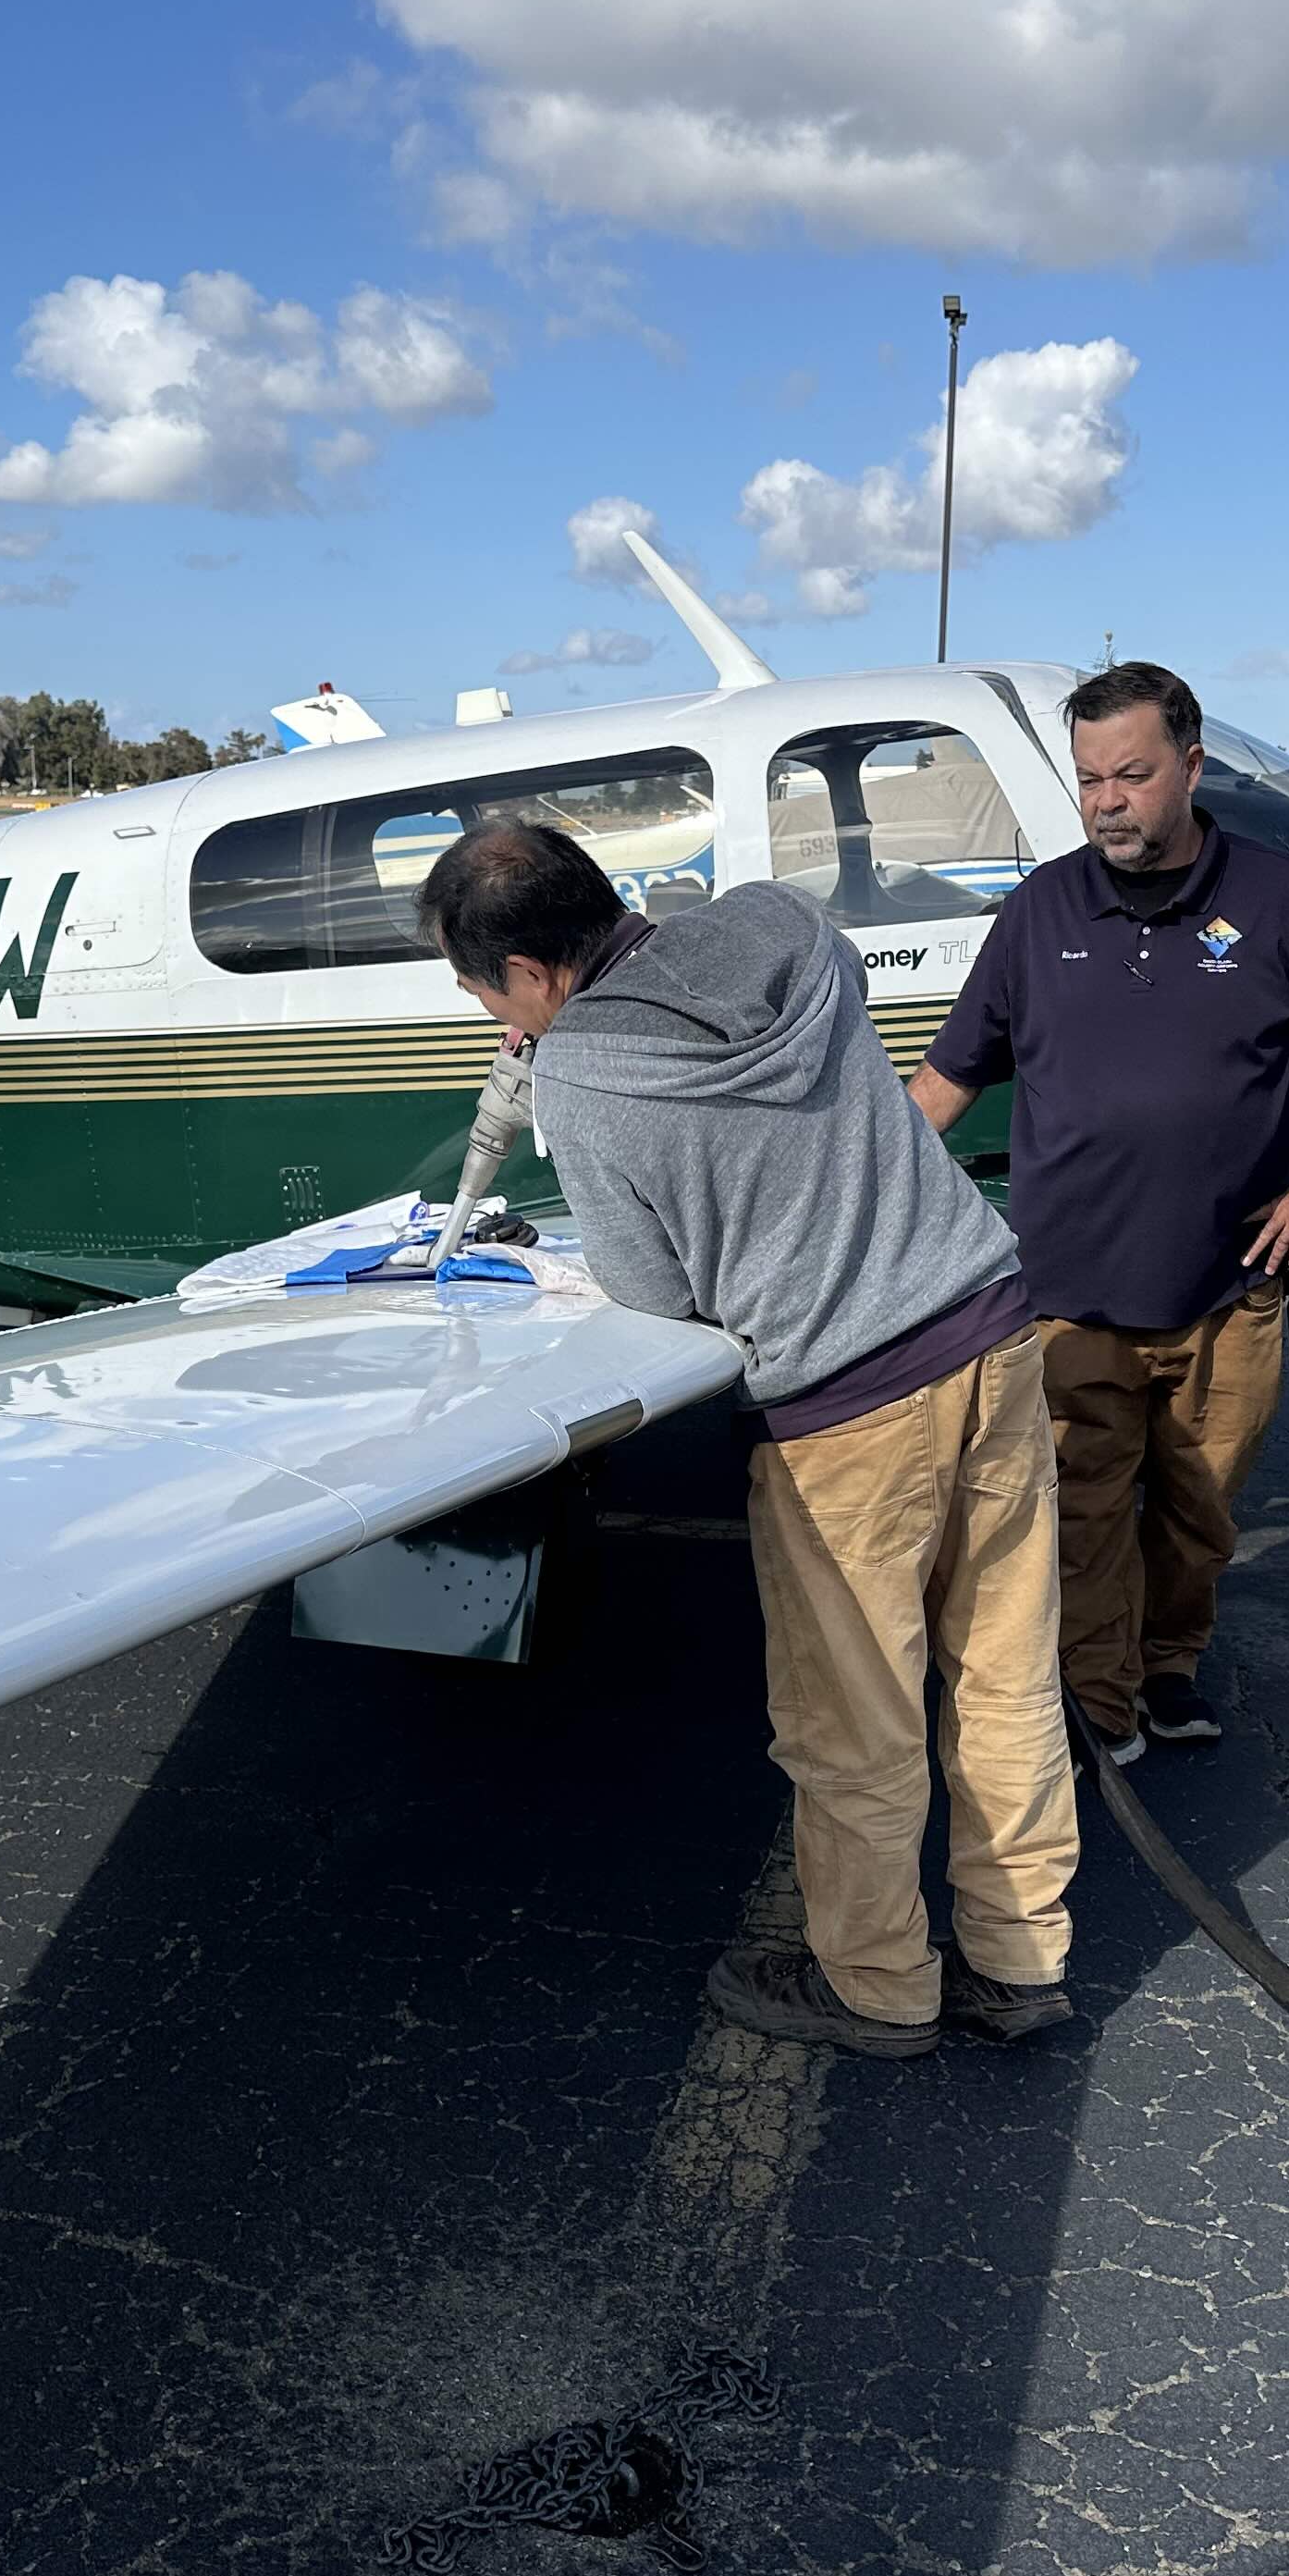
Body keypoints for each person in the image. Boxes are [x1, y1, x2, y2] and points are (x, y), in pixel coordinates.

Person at [422, 822, 1083, 2060]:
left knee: (858, 1722)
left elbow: (651, 1292)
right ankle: (1020, 1957)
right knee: (1006, 1675)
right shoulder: (782, 924)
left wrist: (567, 1068)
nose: (480, 1011)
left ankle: (883, 1987)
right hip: (992, 1334)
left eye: (476, 987)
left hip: (847, 1409)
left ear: (529, 975)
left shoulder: (580, 1079)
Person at [909, 663, 1289, 1767]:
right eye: (1089, 779)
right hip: (1071, 1298)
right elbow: (943, 1085)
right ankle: (1100, 1694)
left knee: (1198, 1513)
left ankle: (1169, 1662)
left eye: (1132, 776)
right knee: (1082, 1516)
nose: (1107, 802)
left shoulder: (1282, 899)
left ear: (1190, 767)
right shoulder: (1040, 911)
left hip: (1230, 1292)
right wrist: (852, 1189)